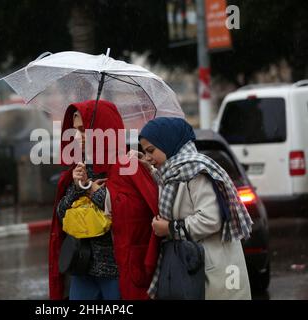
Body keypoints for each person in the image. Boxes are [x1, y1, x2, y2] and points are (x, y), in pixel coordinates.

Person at [49, 99, 159, 300]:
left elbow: (135, 216)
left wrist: (93, 190)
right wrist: (77, 187)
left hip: (118, 271)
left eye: (83, 130)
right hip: (81, 266)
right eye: (76, 130)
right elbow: (61, 215)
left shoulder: (128, 166)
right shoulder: (78, 168)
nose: (77, 136)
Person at [138, 117, 253, 300]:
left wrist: (169, 228)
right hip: (196, 264)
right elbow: (167, 183)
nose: (148, 157)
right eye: (145, 152)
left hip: (216, 268)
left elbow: (211, 220)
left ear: (168, 143)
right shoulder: (171, 174)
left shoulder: (196, 173)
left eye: (151, 150)